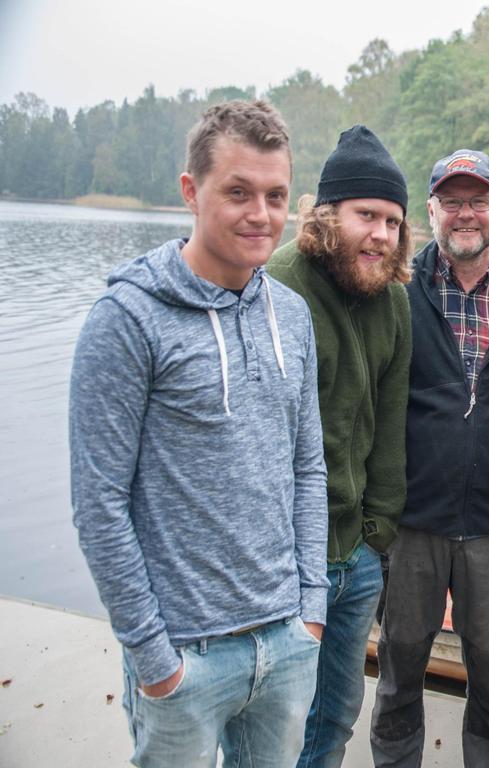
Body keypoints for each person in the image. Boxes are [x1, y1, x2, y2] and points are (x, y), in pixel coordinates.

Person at [69, 100, 327, 767]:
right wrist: (154, 657)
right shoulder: (127, 320)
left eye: (274, 196)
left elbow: (307, 467)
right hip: (185, 656)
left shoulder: (292, 317)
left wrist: (310, 611)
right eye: (237, 192)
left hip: (285, 642)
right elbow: (99, 504)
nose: (260, 214)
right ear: (191, 191)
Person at [371, 149, 489, 768]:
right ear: (431, 211)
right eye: (452, 201)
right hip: (412, 522)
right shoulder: (397, 291)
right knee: (399, 668)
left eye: (478, 200)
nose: (465, 214)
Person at [266, 124, 412, 767]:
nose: (380, 234)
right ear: (327, 216)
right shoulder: (278, 286)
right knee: (272, 723)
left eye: (392, 220)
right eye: (366, 216)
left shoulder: (395, 302)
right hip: (286, 563)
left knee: (336, 715)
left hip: (356, 557)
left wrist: (377, 533)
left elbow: (390, 428)